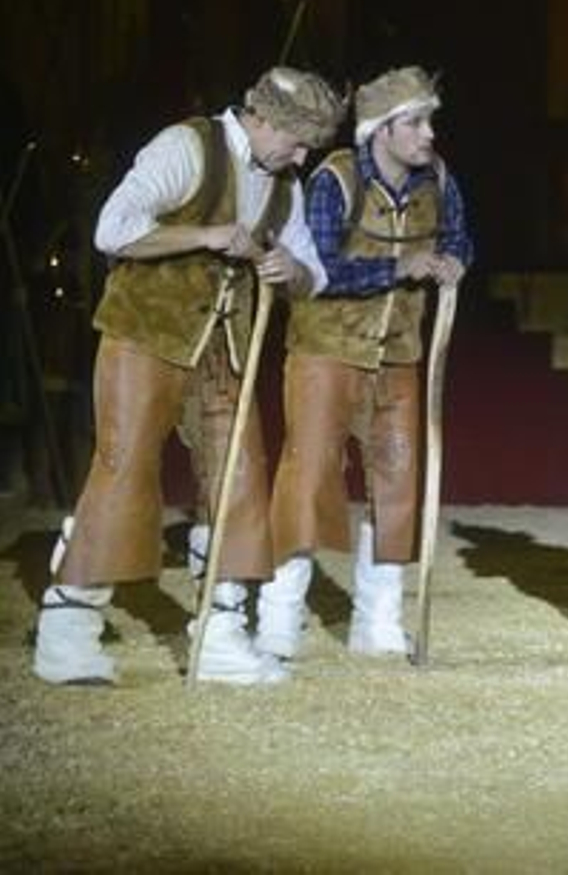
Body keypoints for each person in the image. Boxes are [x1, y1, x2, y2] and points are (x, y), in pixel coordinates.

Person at [32, 66, 344, 686]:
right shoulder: (185, 147)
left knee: (239, 480)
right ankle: (67, 638)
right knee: (122, 475)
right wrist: (205, 234)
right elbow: (111, 231)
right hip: (146, 336)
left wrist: (290, 270)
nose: (303, 156)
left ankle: (221, 635)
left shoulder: (283, 185)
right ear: (263, 120)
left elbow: (316, 274)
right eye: (299, 140)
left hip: (224, 348)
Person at [254, 67, 472, 661]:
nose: (428, 134)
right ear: (382, 129)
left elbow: (459, 239)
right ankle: (280, 613)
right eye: (416, 123)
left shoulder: (439, 180)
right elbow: (317, 272)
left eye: (430, 121)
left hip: (398, 353)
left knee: (397, 484)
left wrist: (453, 261)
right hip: (328, 352)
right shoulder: (335, 181)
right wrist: (398, 269)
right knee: (309, 476)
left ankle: (376, 619)